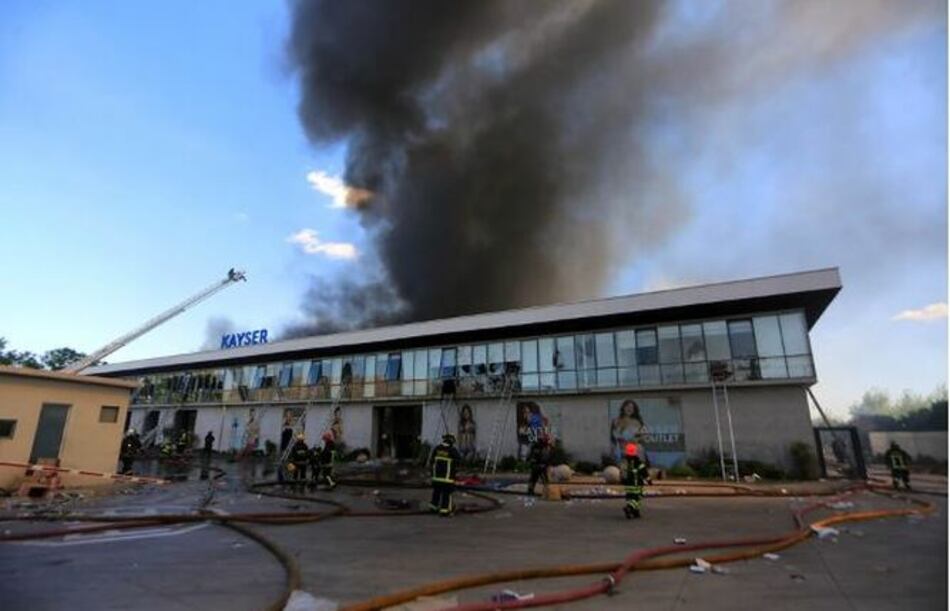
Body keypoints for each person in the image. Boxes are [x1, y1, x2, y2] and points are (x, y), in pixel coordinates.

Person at [430, 433, 461, 516]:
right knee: (446, 494)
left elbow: (431, 461)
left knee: (436, 492)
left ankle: (433, 507)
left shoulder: (437, 449)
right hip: (447, 478)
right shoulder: (452, 450)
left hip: (436, 477)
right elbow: (459, 461)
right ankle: (445, 510)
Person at [621, 442, 651, 519]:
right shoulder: (638, 462)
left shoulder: (624, 462)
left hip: (627, 484)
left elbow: (622, 473)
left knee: (630, 497)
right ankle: (630, 508)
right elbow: (644, 472)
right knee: (637, 498)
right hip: (636, 484)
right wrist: (649, 480)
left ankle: (635, 511)